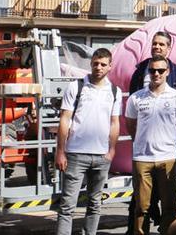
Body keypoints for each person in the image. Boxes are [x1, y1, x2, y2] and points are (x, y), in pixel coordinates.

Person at [55, 48, 122, 235]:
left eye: (102, 64)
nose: (98, 67)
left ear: (110, 66)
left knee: (95, 204)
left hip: (102, 157)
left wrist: (112, 151)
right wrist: (60, 151)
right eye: (95, 63)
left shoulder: (115, 91)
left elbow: (114, 123)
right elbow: (65, 120)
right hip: (76, 155)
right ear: (91, 64)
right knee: (67, 206)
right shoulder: (76, 87)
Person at [125, 55, 176, 235]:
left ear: (167, 72)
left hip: (167, 158)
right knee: (141, 207)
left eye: (161, 70)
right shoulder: (136, 98)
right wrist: (141, 140)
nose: (156, 74)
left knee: (169, 206)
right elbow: (131, 125)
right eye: (152, 70)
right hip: (142, 158)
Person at [128, 30, 176, 95]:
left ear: (168, 48)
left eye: (161, 44)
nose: (157, 47)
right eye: (154, 44)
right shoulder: (140, 71)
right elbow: (133, 97)